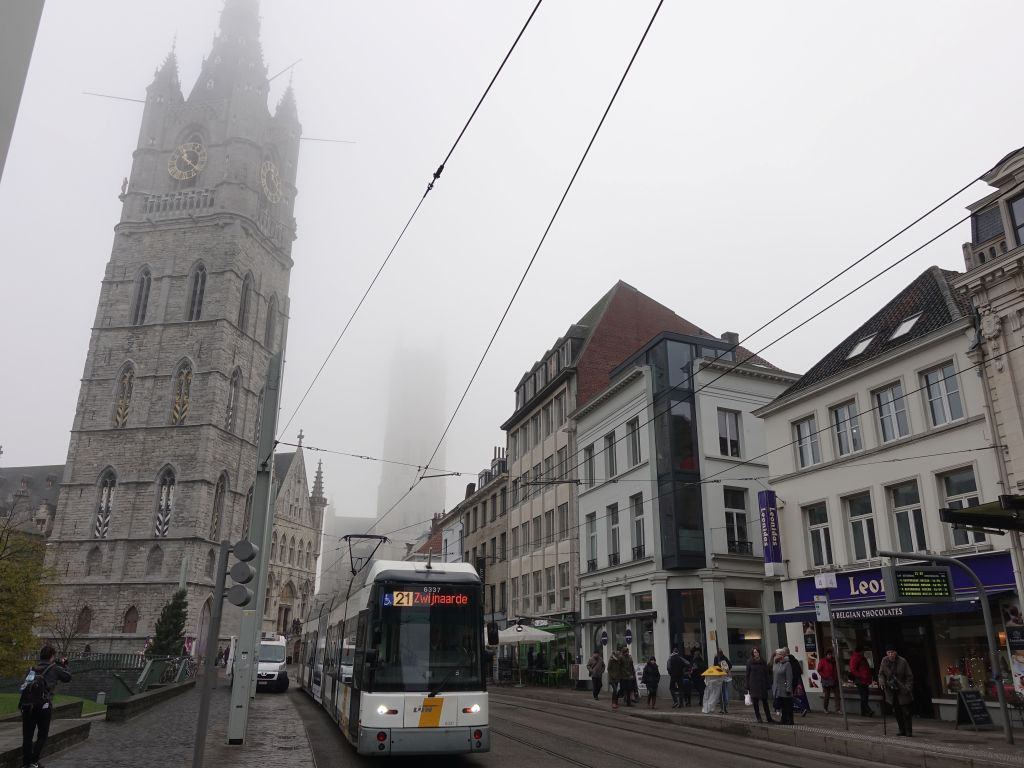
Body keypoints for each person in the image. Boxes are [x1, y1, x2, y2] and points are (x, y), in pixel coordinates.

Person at [20, 644, 72, 768]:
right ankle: (34, 762)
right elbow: (68, 677)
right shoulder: (54, 668)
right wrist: (65, 665)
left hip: (28, 706)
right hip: (44, 706)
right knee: (42, 735)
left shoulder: (32, 668)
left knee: (27, 736)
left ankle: (26, 763)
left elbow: (25, 685)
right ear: (52, 656)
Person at [878, 645, 914, 737]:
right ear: (886, 653)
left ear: (896, 652)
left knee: (906, 712)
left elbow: (909, 676)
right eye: (889, 652)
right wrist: (882, 682)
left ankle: (908, 731)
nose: (891, 654)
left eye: (892, 652)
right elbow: (881, 674)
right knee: (897, 712)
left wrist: (907, 687)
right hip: (891, 690)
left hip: (902, 689)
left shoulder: (902, 661)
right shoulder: (884, 661)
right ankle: (901, 729)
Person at [746, 647, 774, 723]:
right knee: (755, 703)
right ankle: (758, 717)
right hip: (754, 685)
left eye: (757, 652)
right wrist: (748, 686)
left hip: (762, 685)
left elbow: (766, 674)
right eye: (755, 652)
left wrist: (768, 684)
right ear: (752, 654)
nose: (756, 654)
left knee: (765, 702)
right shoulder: (749, 662)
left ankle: (769, 718)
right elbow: (747, 675)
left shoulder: (763, 661)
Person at [849, 646, 875, 716]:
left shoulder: (862, 658)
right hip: (859, 680)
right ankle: (868, 710)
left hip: (865, 679)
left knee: (865, 696)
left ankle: (863, 712)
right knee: (864, 695)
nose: (864, 652)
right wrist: (860, 676)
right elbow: (852, 669)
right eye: (863, 651)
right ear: (860, 651)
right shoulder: (855, 658)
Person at [772, 647, 794, 725]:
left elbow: (789, 677)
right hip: (778, 689)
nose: (777, 656)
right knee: (781, 705)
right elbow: (774, 675)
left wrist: (788, 689)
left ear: (783, 655)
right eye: (776, 654)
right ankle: (783, 719)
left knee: (787, 705)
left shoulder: (787, 664)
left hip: (785, 688)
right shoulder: (776, 663)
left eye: (779, 654)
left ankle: (790, 720)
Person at [818, 648, 841, 713]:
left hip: (834, 679)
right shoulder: (822, 661)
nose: (830, 656)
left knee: (837, 694)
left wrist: (837, 677)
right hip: (826, 680)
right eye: (829, 654)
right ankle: (825, 708)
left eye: (831, 654)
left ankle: (838, 709)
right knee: (827, 695)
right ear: (826, 655)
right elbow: (819, 670)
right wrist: (825, 676)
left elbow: (836, 670)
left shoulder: (834, 661)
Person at [714, 648, 732, 713]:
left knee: (722, 692)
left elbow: (715, 667)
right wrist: (726, 670)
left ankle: (723, 707)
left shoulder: (717, 658)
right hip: (724, 676)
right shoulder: (725, 658)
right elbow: (730, 665)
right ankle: (724, 706)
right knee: (724, 691)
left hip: (720, 676)